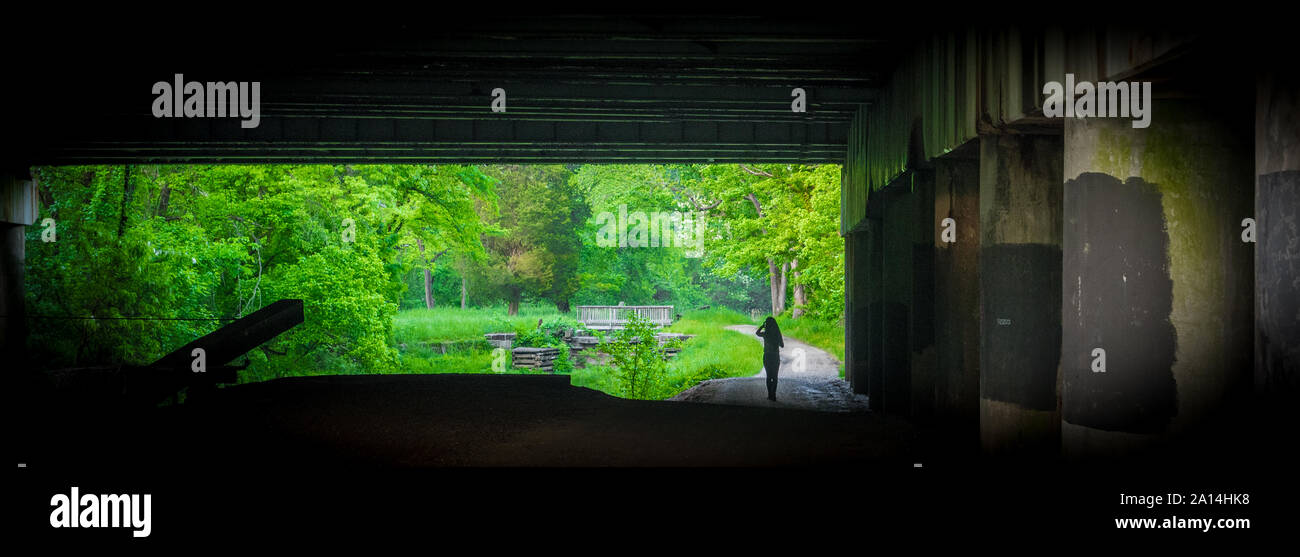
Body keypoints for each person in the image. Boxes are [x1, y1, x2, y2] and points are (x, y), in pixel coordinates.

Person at [755, 316, 784, 401]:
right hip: (775, 356)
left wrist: (762, 326)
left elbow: (757, 333)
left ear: (766, 325)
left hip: (767, 356)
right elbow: (782, 345)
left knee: (768, 376)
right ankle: (773, 395)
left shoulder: (765, 333)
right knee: (775, 377)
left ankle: (769, 395)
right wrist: (776, 342)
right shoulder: (777, 334)